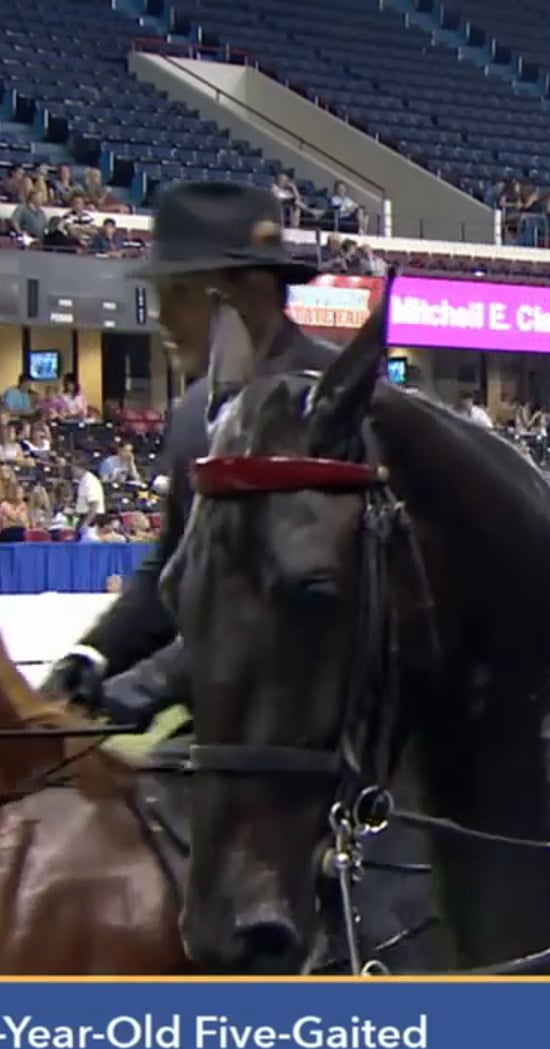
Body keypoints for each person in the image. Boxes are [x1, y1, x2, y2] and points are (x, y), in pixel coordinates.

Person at [38, 181, 333, 744]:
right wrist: (94, 655)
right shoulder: (195, 412)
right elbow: (172, 570)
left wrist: (154, 683)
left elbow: (290, 609)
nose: (162, 319)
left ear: (240, 291)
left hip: (311, 740)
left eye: (178, 294)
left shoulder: (322, 404)